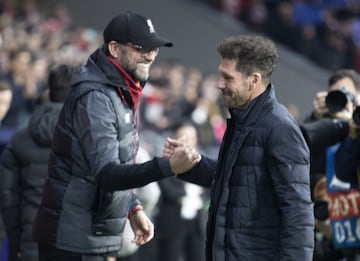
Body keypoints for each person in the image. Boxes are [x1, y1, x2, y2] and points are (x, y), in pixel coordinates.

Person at [32, 11, 198, 261]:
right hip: (73, 240)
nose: (151, 55)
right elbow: (107, 173)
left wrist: (132, 208)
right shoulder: (97, 97)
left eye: (154, 48)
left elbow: (112, 164)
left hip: (90, 235)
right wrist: (167, 166)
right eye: (142, 47)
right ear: (115, 49)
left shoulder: (120, 90)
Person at [163, 34, 315, 261]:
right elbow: (238, 181)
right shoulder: (242, 120)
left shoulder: (280, 128)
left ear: (254, 80)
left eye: (227, 77)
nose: (219, 83)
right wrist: (192, 164)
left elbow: (298, 213)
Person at [0, 64, 75, 261]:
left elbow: (8, 198)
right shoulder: (90, 140)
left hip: (30, 242)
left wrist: (15, 243)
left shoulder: (18, 139)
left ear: (49, 91)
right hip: (76, 245)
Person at [155, 122, 207, 261]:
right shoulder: (166, 161)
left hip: (197, 222)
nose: (187, 141)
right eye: (183, 137)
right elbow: (167, 189)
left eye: (191, 137)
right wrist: (188, 194)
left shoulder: (202, 162)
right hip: (173, 221)